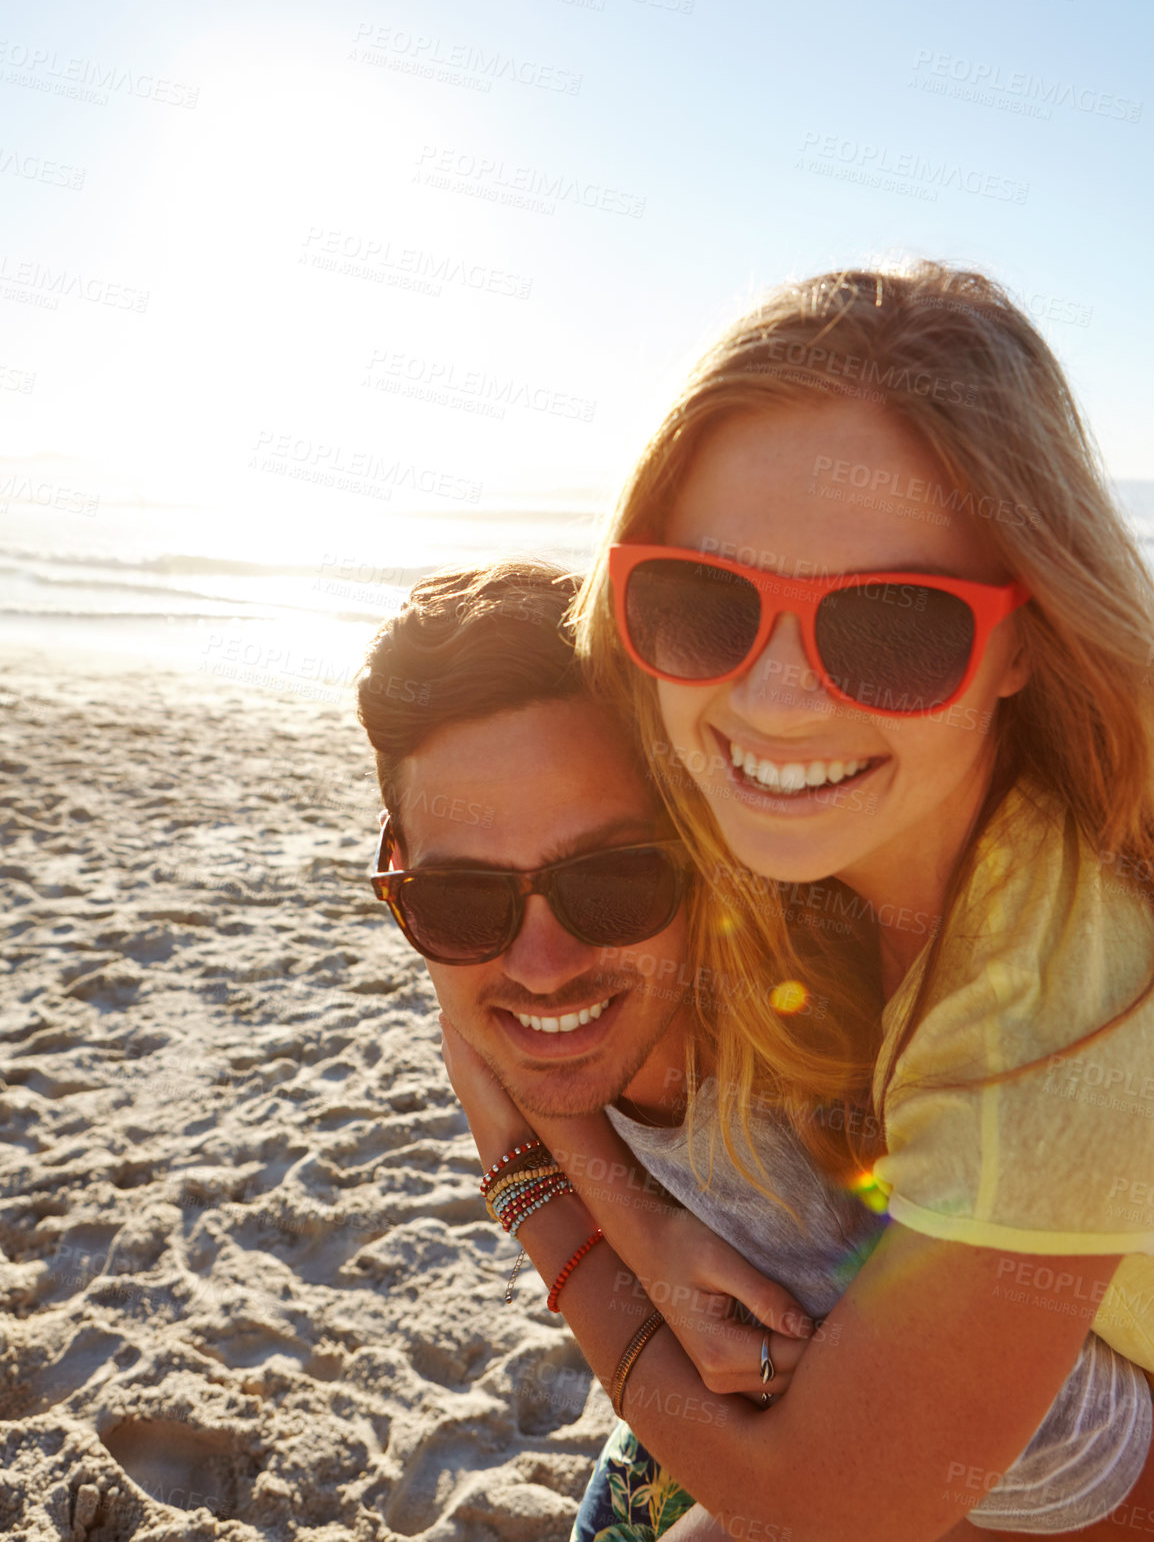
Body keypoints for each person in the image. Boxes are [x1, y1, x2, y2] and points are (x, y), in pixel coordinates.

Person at [355, 552, 1153, 1539]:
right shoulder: (549, 1002)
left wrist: (540, 1210)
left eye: (612, 880)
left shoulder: (823, 1150)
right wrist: (631, 1222)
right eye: (458, 900)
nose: (541, 963)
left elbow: (1109, 1475)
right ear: (395, 868)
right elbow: (488, 1033)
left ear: (707, 836)